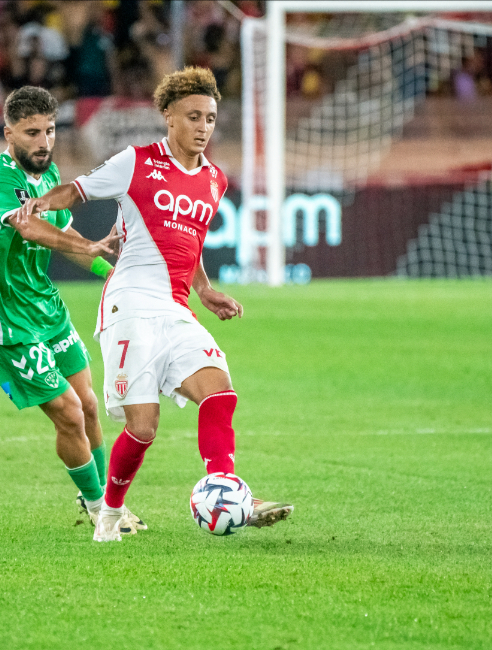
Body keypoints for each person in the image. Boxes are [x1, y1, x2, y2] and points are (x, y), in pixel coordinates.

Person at [15, 67, 293, 542]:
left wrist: (204, 290)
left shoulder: (214, 180)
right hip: (129, 305)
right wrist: (40, 205)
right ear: (168, 117)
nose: (203, 127)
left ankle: (226, 489)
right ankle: (109, 513)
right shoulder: (136, 161)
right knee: (143, 427)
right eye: (193, 116)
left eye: (210, 118)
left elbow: (191, 241)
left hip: (176, 308)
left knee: (221, 394)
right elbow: (78, 190)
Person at [0, 86, 145, 533]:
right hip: (7, 319)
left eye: (49, 131)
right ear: (9, 133)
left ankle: (112, 505)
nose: (43, 142)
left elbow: (69, 243)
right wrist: (89, 242)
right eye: (31, 133)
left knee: (87, 404)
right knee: (66, 411)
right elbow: (32, 230)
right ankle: (98, 506)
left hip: (46, 307)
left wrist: (111, 272)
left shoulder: (49, 177)